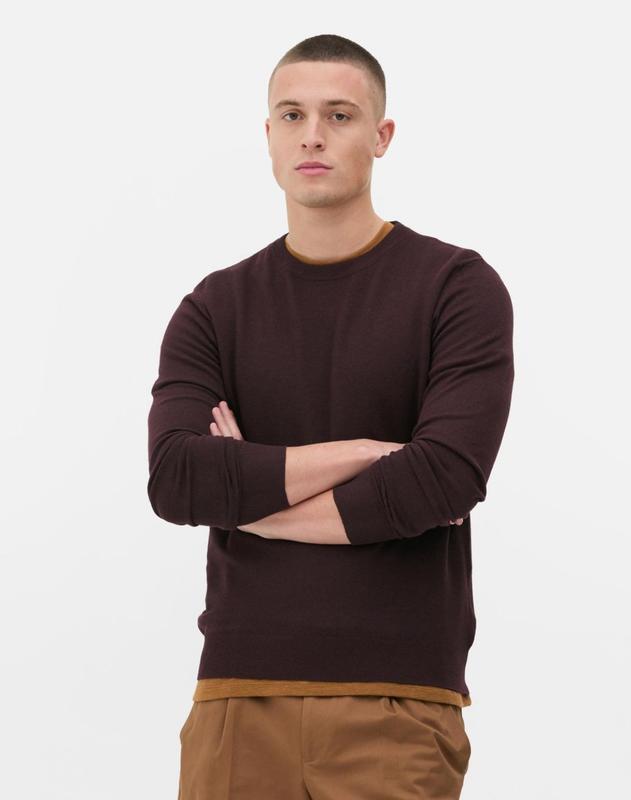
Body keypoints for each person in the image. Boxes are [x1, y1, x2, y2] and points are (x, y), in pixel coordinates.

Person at [147, 33, 514, 800]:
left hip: (398, 699)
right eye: (292, 115)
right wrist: (367, 454)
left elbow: (442, 479)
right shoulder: (213, 307)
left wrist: (249, 499)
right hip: (237, 698)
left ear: (381, 135)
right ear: (269, 135)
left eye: (339, 115)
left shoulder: (455, 287)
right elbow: (179, 479)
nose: (312, 134)